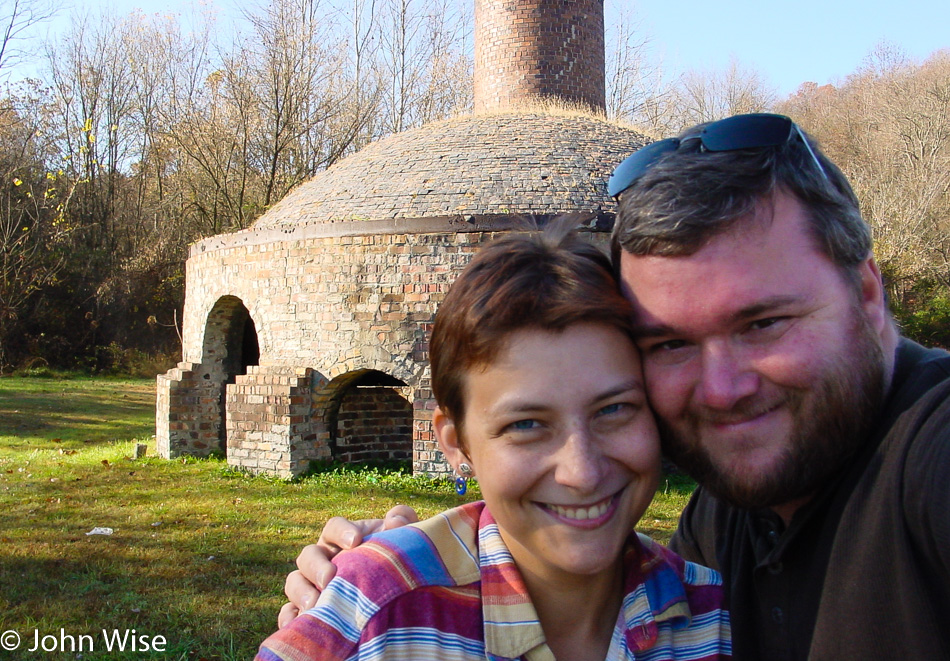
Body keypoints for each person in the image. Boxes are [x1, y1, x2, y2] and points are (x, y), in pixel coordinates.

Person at [280, 113, 950, 660]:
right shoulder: (720, 530)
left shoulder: (930, 454)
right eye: (671, 343)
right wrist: (395, 576)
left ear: (866, 292)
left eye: (764, 321)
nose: (720, 390)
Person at [257, 229, 732, 660]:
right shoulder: (380, 617)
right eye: (526, 424)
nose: (582, 471)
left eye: (614, 410)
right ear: (457, 442)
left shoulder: (714, 619)